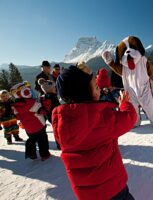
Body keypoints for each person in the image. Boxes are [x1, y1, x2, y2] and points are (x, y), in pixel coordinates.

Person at [52, 62, 137, 200]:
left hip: (87, 194)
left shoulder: (61, 122)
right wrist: (125, 104)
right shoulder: (101, 118)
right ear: (84, 93)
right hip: (112, 188)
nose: (99, 90)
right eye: (96, 87)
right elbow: (128, 119)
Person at [10, 81, 51, 161]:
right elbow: (43, 111)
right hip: (39, 126)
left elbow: (17, 117)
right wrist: (46, 103)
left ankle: (31, 154)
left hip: (28, 128)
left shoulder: (16, 107)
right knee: (42, 140)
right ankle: (45, 154)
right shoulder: (33, 103)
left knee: (32, 140)